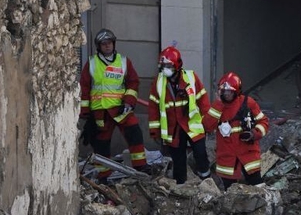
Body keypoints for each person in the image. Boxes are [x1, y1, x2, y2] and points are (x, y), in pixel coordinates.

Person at [79, 29, 148, 181]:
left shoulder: (124, 61)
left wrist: (129, 101)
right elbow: (84, 87)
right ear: (99, 46)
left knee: (135, 134)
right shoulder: (91, 63)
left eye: (109, 43)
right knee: (101, 144)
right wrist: (85, 112)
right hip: (100, 111)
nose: (107, 46)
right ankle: (104, 176)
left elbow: (133, 82)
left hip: (121, 109)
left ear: (114, 43)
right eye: (104, 44)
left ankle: (140, 167)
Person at [147, 46, 212, 184]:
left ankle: (206, 182)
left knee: (201, 154)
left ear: (177, 65)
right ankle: (181, 187)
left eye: (168, 65)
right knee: (178, 160)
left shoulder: (191, 77)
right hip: (173, 128)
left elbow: (203, 100)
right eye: (163, 65)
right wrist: (155, 131)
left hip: (192, 125)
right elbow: (153, 106)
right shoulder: (158, 82)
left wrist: (208, 122)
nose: (165, 68)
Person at [203, 72, 269, 189]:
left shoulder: (248, 103)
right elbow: (207, 126)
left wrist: (253, 134)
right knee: (230, 194)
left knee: (258, 188)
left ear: (236, 91)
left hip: (248, 156)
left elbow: (263, 122)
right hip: (227, 159)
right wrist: (218, 104)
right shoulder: (217, 107)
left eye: (230, 91)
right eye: (224, 91)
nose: (226, 94)